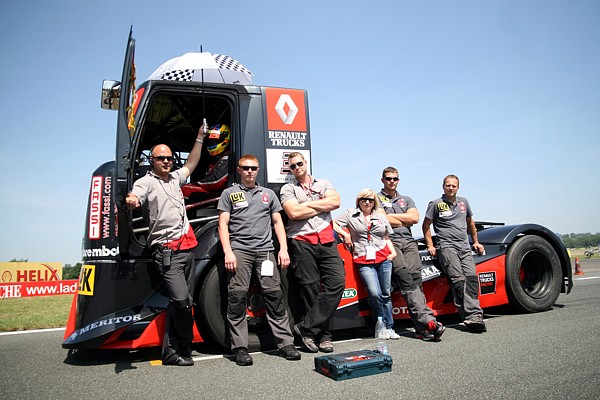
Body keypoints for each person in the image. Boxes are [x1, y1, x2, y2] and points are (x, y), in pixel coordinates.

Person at [125, 123, 207, 366]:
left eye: (169, 158)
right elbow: (135, 195)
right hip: (166, 250)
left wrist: (200, 138)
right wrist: (132, 200)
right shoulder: (146, 182)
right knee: (181, 300)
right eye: (161, 158)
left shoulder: (174, 179)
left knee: (185, 301)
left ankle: (177, 350)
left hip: (187, 247)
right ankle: (179, 347)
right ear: (152, 160)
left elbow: (191, 163)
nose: (166, 161)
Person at [217, 154, 301, 366]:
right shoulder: (229, 194)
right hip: (240, 251)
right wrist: (228, 252)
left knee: (274, 297)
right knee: (237, 298)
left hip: (266, 252)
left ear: (258, 170)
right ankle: (240, 348)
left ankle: (285, 344)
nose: (249, 171)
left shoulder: (268, 195)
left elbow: (278, 223)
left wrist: (283, 250)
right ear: (239, 170)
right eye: (245, 168)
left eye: (253, 168)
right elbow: (223, 224)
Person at [280, 152, 346, 353]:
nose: (297, 167)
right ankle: (324, 337)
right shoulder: (288, 188)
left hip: (326, 239)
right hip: (301, 241)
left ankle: (305, 328)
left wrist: (306, 205)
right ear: (290, 169)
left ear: (306, 162)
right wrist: (321, 205)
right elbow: (293, 213)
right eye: (292, 166)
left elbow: (335, 202)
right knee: (311, 291)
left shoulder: (324, 183)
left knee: (337, 283)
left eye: (299, 163)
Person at [378, 167, 446, 341]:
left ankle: (421, 328)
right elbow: (382, 220)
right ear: (382, 180)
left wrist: (392, 218)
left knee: (416, 282)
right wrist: (403, 218)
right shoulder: (376, 198)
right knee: (405, 279)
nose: (392, 181)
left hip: (409, 242)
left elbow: (414, 219)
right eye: (388, 178)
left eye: (395, 178)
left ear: (398, 180)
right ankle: (429, 321)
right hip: (389, 242)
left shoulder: (407, 199)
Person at [422, 174, 487, 333]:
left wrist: (476, 242)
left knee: (471, 279)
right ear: (443, 186)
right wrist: (430, 245)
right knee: (458, 281)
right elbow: (426, 225)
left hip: (464, 247)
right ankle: (473, 316)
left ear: (458, 187)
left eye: (454, 186)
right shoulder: (435, 204)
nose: (451, 188)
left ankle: (473, 316)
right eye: (448, 185)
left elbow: (470, 223)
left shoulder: (464, 202)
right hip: (446, 247)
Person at [333, 189, 399, 340]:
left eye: (370, 200)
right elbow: (332, 223)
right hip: (363, 260)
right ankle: (380, 325)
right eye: (364, 199)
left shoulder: (380, 216)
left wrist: (393, 253)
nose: (367, 202)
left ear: (374, 202)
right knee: (374, 294)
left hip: (384, 258)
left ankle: (389, 327)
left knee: (386, 294)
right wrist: (345, 234)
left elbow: (386, 236)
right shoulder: (350, 214)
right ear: (359, 200)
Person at [181, 123, 231, 206]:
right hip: (214, 194)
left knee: (184, 190)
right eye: (211, 140)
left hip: (221, 196)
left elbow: (216, 181)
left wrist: (196, 183)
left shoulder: (228, 156)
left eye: (215, 139)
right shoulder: (216, 158)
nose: (213, 142)